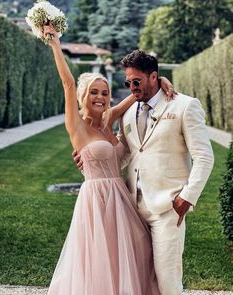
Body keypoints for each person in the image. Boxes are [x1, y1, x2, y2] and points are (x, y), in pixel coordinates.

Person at [44, 25, 175, 295]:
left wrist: (158, 82)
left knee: (135, 252)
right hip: (96, 200)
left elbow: (136, 94)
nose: (101, 97)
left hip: (121, 198)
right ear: (83, 96)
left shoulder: (107, 121)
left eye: (104, 92)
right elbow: (68, 84)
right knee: (99, 259)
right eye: (94, 92)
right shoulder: (76, 126)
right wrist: (55, 43)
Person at [74, 50, 214, 295]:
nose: (131, 87)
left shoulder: (184, 106)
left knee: (167, 280)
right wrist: (90, 156)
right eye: (127, 82)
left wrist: (187, 198)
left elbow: (204, 157)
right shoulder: (129, 111)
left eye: (136, 82)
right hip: (130, 209)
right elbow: (126, 152)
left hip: (167, 208)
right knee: (138, 277)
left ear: (154, 77)